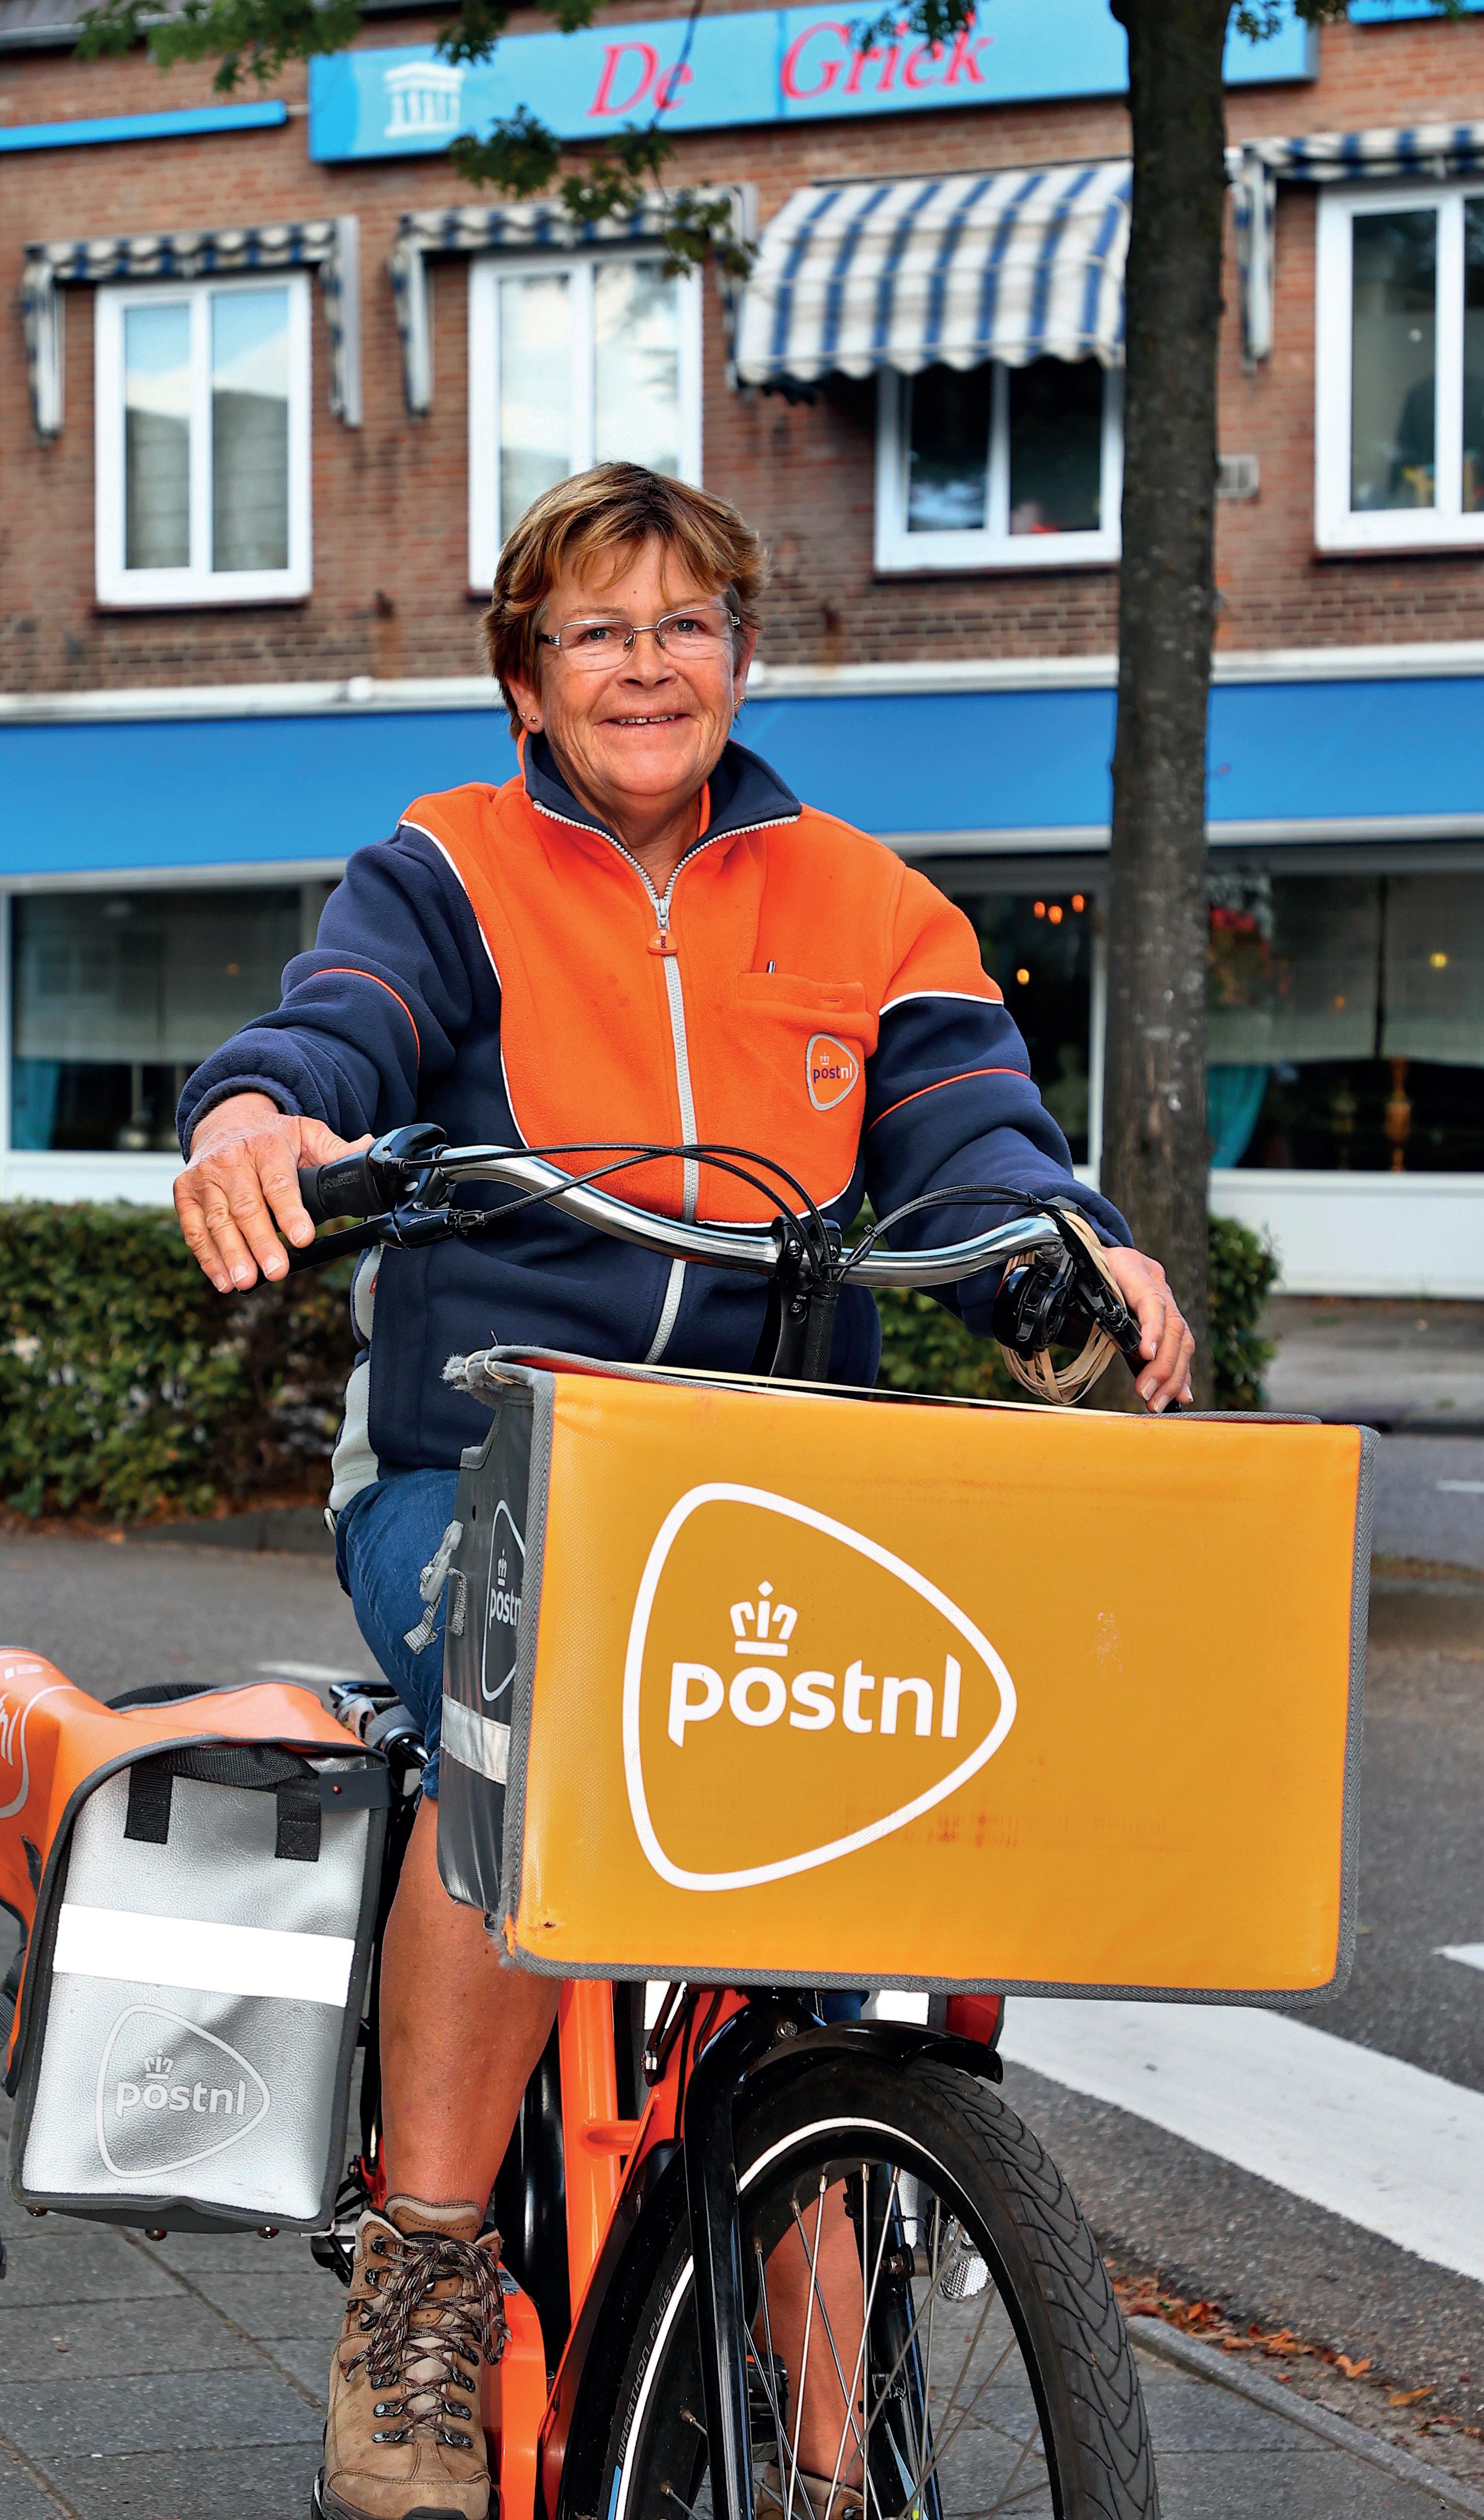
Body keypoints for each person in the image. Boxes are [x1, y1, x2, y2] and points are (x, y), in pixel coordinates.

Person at [172, 463, 1193, 2520]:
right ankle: (427, 2272)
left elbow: (973, 1130)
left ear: (737, 657)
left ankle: (833, 2439)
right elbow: (339, 1032)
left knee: (855, 1825)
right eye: (596, 633)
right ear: (526, 683)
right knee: (524, 1698)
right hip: (482, 1462)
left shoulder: (866, 901)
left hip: (774, 1486)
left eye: (686, 625)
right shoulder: (443, 870)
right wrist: (263, 1119)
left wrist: (1066, 1255)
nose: (646, 666)